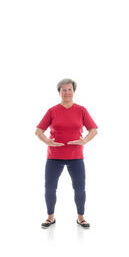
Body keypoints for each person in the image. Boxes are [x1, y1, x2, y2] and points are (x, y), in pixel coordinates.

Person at [36, 78, 98, 229]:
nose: (67, 92)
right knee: (50, 188)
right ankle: (50, 217)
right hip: (54, 157)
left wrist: (84, 140)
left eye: (69, 89)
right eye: (64, 90)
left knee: (80, 188)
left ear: (74, 91)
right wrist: (47, 141)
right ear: (59, 92)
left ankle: (81, 217)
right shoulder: (52, 110)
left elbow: (94, 130)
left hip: (76, 157)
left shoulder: (81, 110)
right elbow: (38, 131)